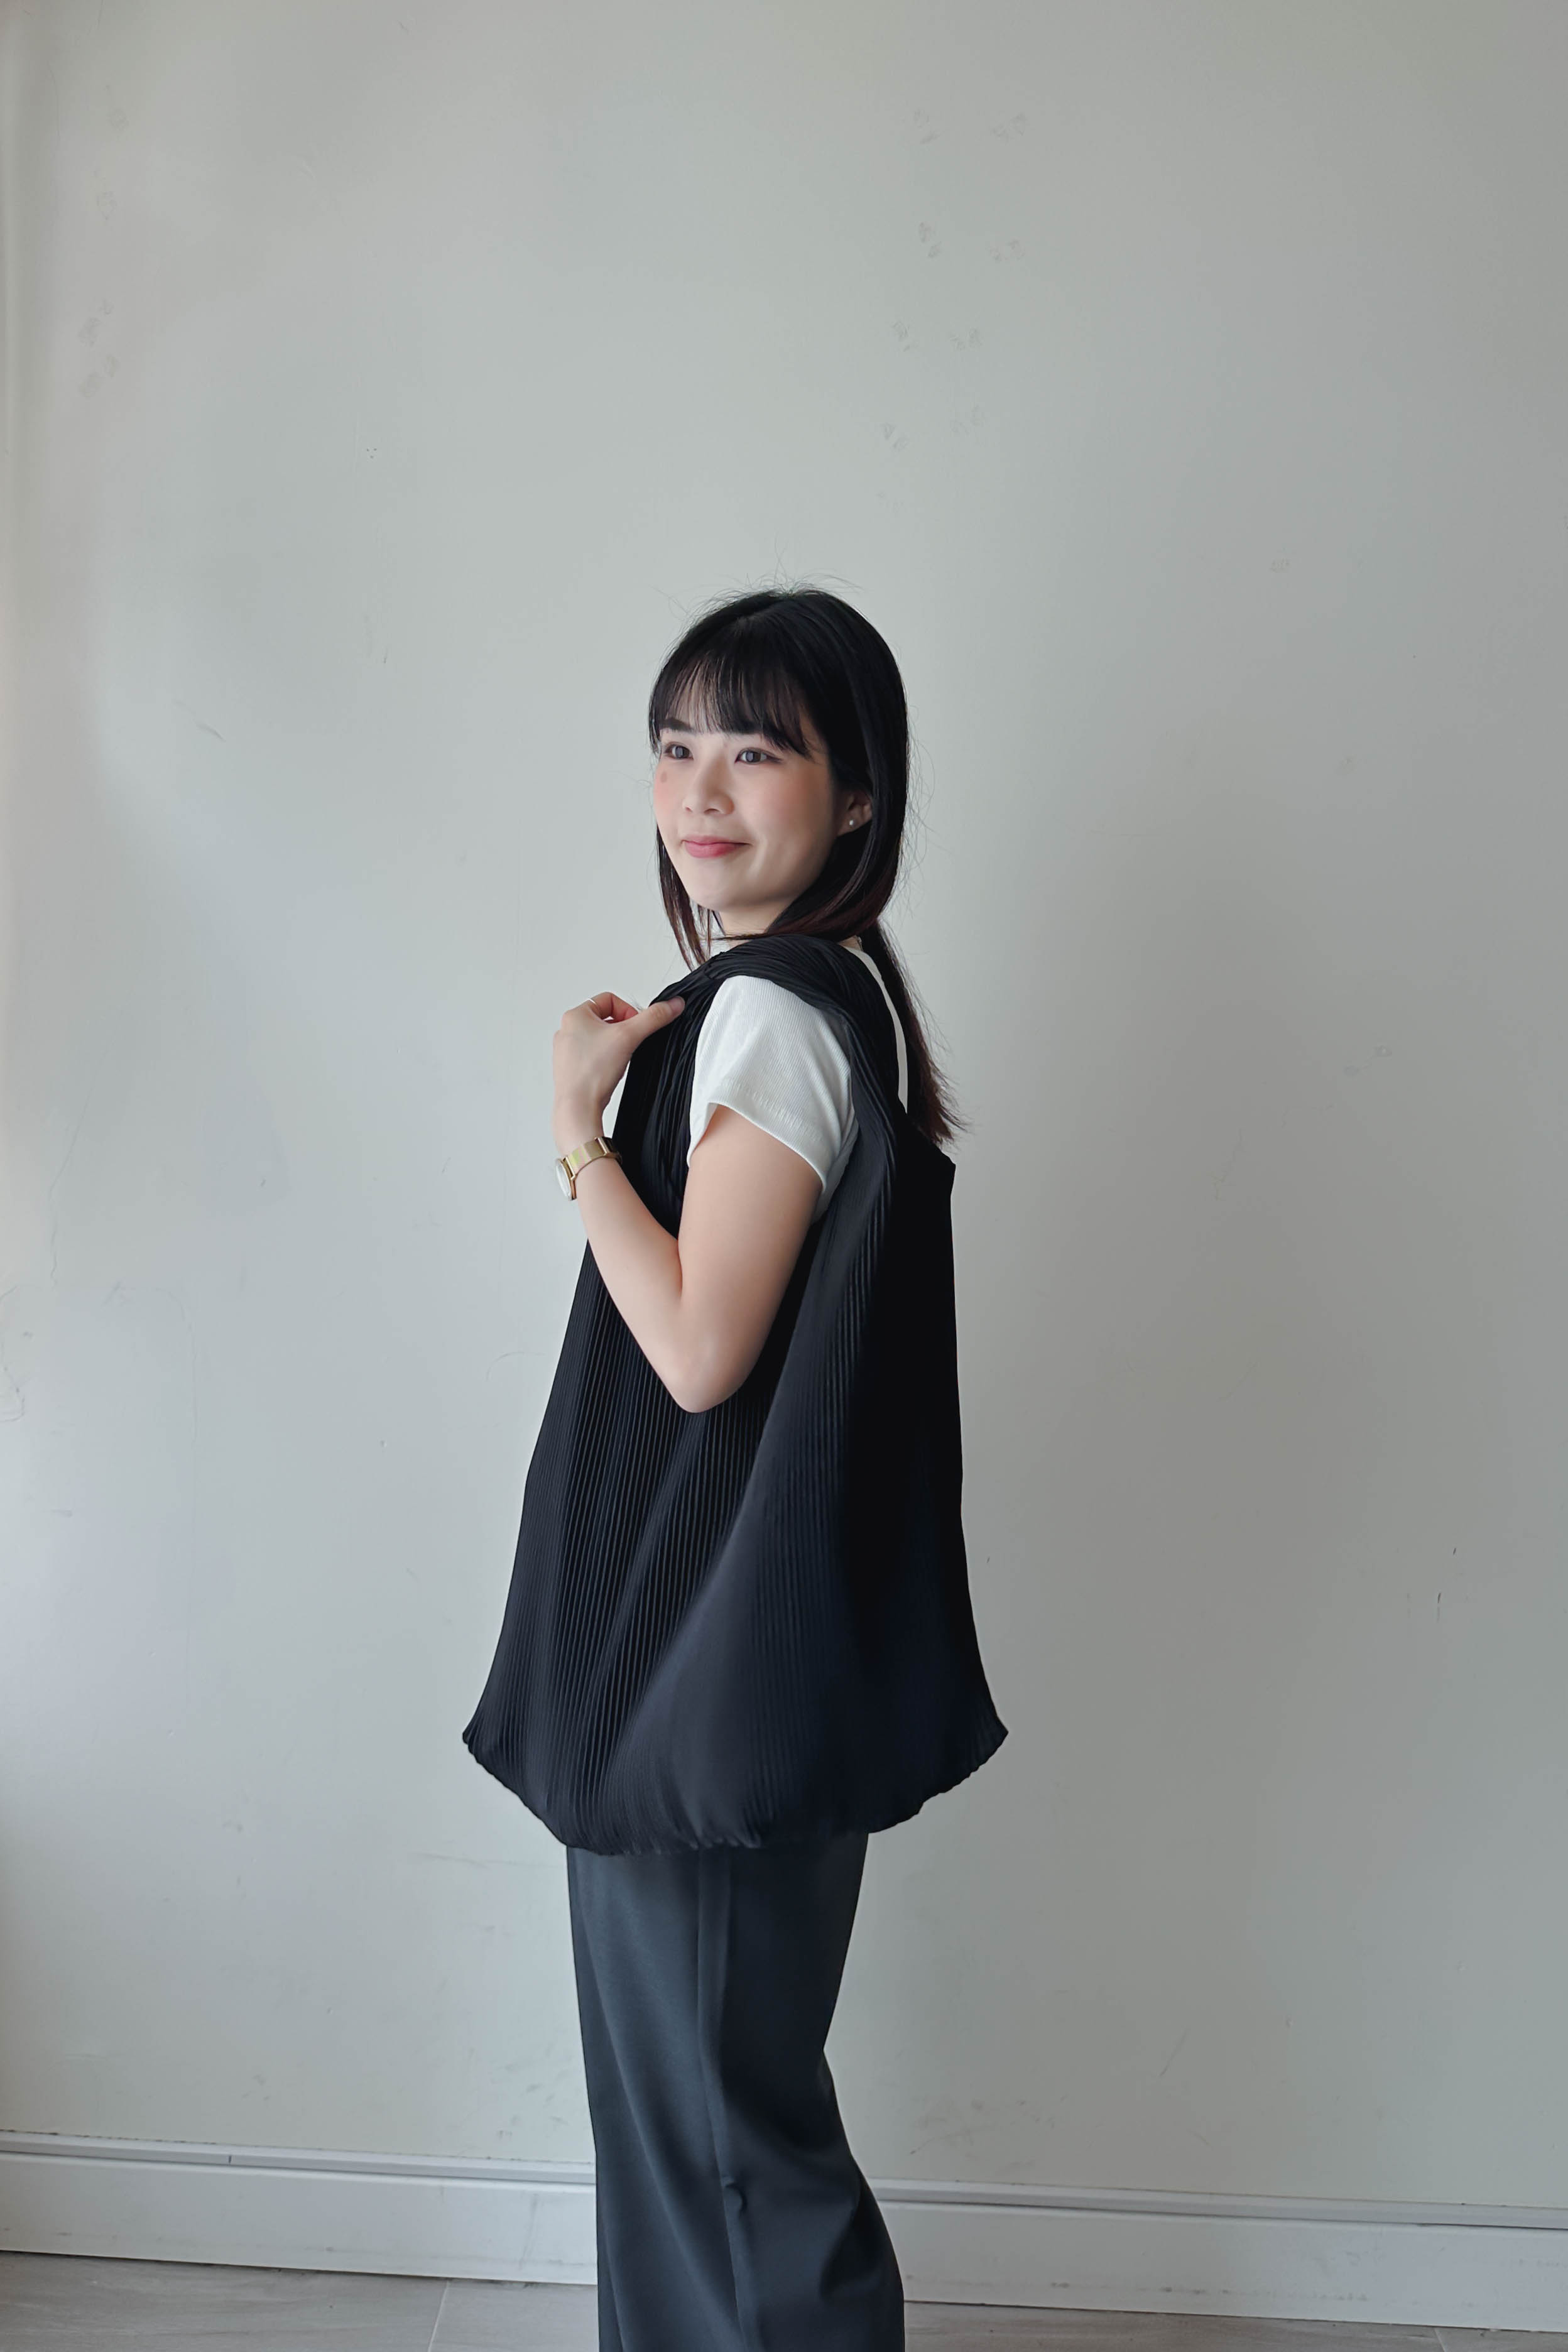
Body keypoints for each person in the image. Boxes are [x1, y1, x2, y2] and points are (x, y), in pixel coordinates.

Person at [462, 585, 1008, 2351]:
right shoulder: (806, 1001)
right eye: (676, 744)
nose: (701, 789)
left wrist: (574, 1134)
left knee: (716, 2149)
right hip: (729, 1660)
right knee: (702, 2131)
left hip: (702, 1666)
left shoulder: (774, 1016)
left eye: (758, 750)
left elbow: (700, 1348)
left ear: (856, 798)